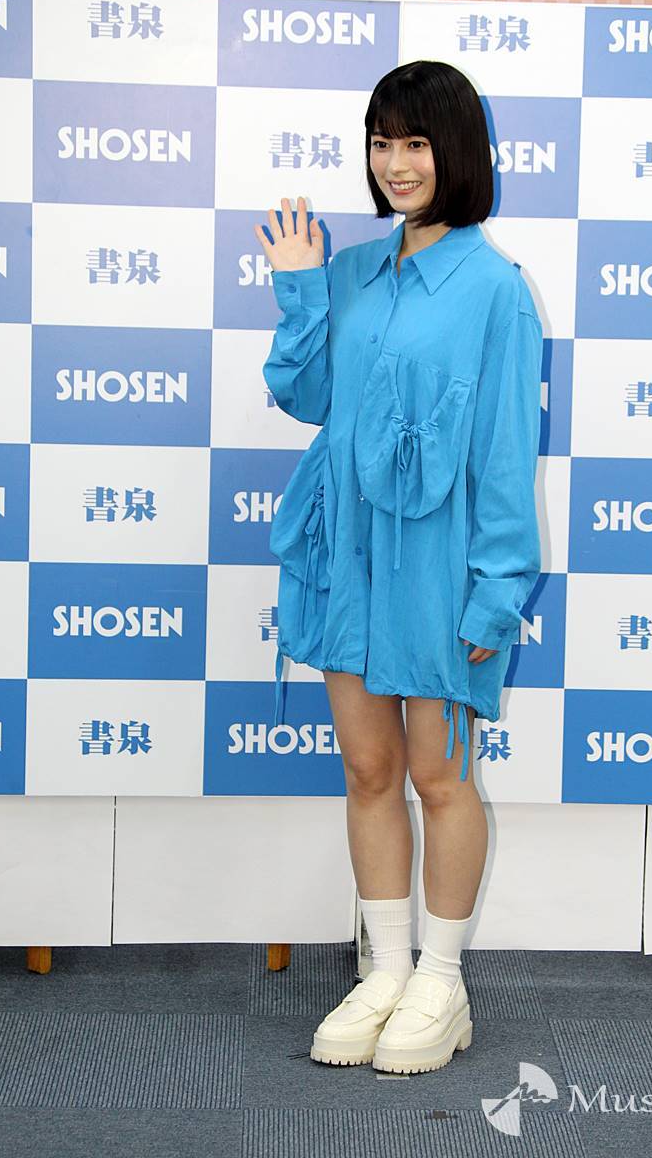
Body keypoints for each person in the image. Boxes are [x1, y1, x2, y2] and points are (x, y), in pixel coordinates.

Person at [254, 60, 543, 1075]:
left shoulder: (495, 289)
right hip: (348, 557)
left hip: (440, 561)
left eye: (414, 141)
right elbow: (304, 396)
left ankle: (441, 980)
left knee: (440, 774)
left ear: (454, 149)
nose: (395, 162)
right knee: (368, 768)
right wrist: (300, 285)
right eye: (381, 142)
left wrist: (498, 589)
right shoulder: (351, 274)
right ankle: (384, 969)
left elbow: (504, 450)